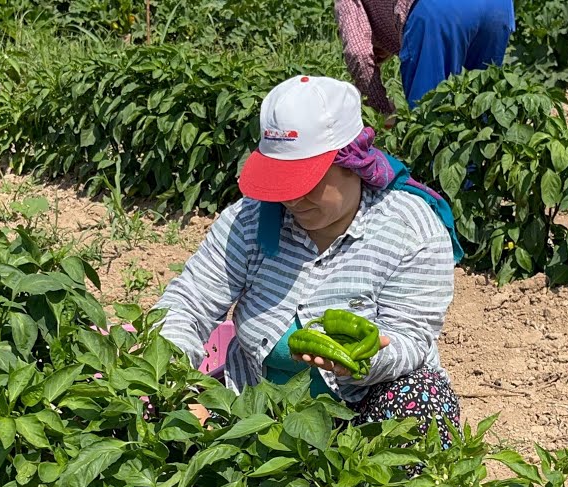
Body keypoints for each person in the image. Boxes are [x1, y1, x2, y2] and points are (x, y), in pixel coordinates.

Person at [154, 75, 463, 445]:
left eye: (305, 183)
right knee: (157, 414)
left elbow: (410, 340)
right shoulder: (250, 220)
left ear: (353, 162)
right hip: (258, 412)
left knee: (421, 398)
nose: (291, 200)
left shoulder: (410, 228)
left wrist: (362, 361)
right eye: (280, 183)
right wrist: (176, 384)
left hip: (365, 416)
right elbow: (188, 303)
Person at [334, 0, 516, 120]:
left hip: (439, 10)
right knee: (484, 107)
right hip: (498, 6)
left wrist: (381, 110)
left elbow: (357, 52)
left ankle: (431, 178)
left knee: (430, 118)